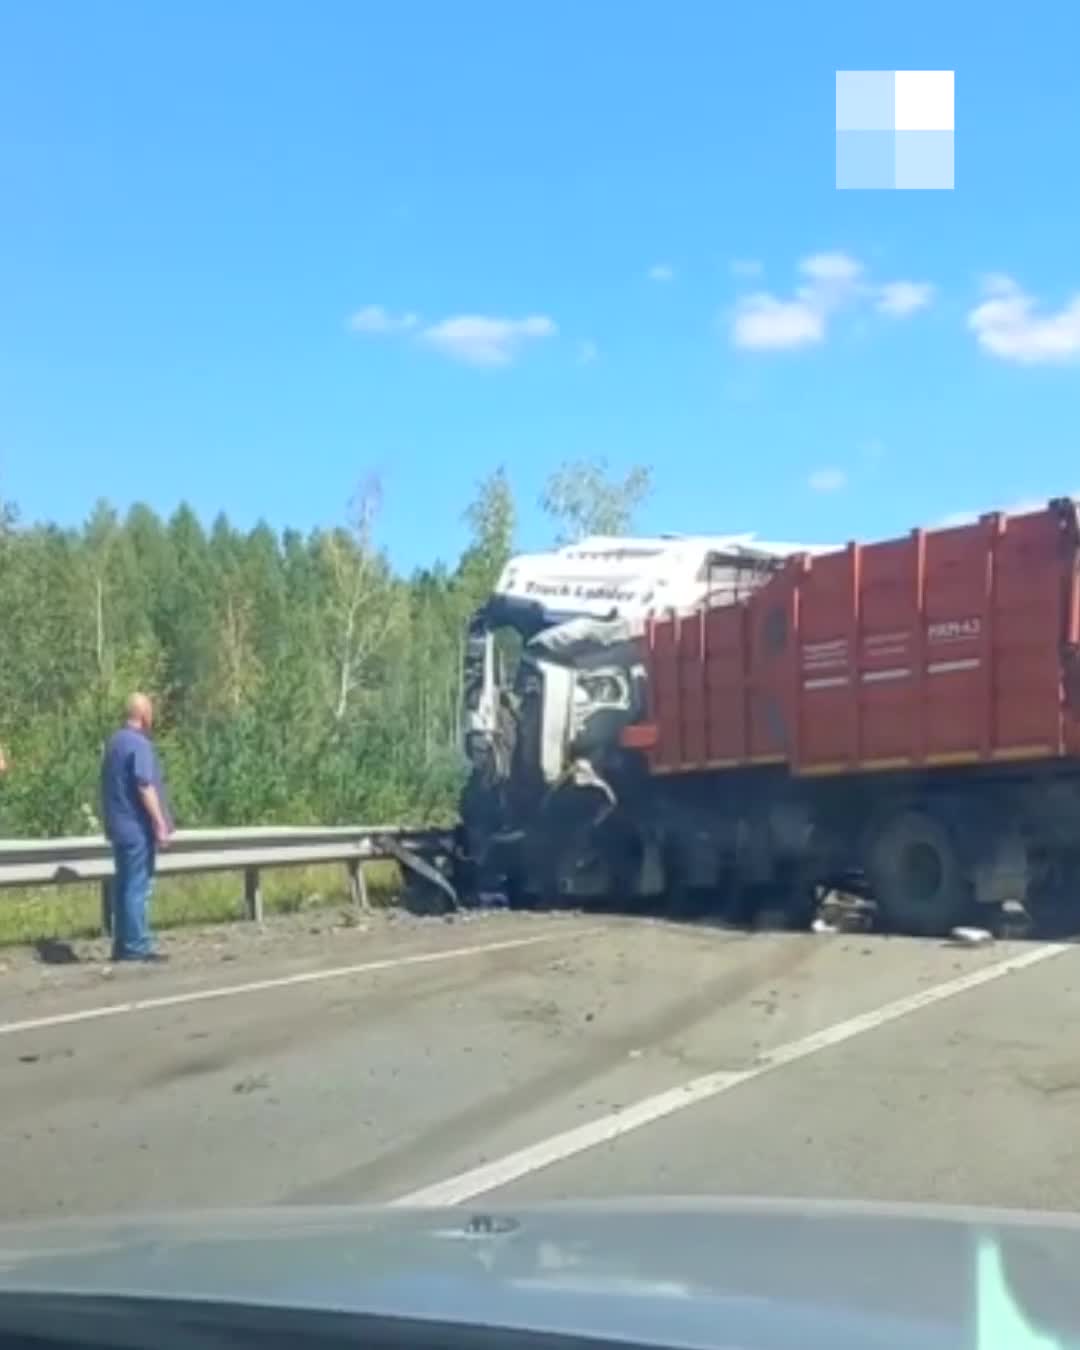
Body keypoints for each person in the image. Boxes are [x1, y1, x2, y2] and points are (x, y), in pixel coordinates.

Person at [100, 693, 174, 962]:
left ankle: (123, 944)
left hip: (118, 825)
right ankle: (136, 947)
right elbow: (144, 785)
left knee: (123, 886)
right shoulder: (139, 745)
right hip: (136, 827)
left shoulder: (114, 743)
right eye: (151, 713)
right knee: (137, 887)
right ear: (144, 716)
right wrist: (159, 823)